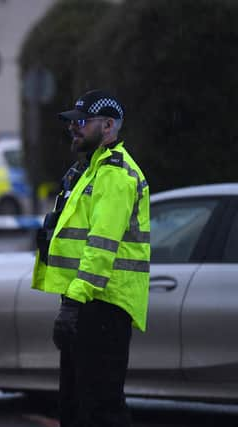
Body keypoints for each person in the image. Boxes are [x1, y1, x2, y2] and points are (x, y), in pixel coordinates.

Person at [32, 90, 150, 427]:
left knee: (101, 408)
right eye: (72, 123)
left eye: (82, 122)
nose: (74, 128)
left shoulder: (115, 176)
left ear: (108, 125)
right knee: (75, 405)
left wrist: (73, 303)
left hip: (103, 305)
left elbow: (101, 247)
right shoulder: (89, 171)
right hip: (87, 302)